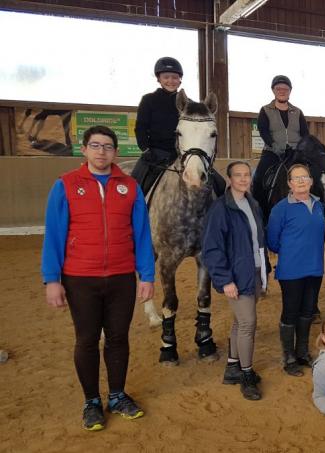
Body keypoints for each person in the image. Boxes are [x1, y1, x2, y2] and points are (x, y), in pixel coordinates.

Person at [41, 125, 155, 431]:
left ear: (115, 152)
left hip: (121, 277)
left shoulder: (129, 187)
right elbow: (54, 234)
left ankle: (117, 395)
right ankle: (91, 401)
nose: (101, 151)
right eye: (95, 145)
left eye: (107, 146)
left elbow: (142, 235)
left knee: (118, 338)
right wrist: (52, 279)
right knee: (87, 339)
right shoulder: (65, 185)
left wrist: (147, 275)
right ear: (85, 149)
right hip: (80, 278)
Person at [202, 161, 267, 401]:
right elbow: (212, 248)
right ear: (229, 179)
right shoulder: (220, 208)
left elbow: (258, 241)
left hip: (254, 271)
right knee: (248, 323)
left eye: (246, 175)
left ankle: (232, 366)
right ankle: (246, 374)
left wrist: (264, 270)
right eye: (237, 175)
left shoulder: (253, 204)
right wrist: (225, 280)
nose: (243, 179)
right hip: (236, 277)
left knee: (240, 322)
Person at [131, 56, 225, 199]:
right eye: (166, 77)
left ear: (180, 79)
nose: (170, 81)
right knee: (135, 184)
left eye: (175, 77)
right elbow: (141, 128)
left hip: (184, 154)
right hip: (157, 153)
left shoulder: (191, 105)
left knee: (220, 183)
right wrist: (146, 149)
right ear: (159, 79)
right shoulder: (149, 100)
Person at [253, 75, 325, 221]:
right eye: (278, 88)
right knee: (258, 178)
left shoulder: (297, 112)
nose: (282, 91)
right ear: (273, 90)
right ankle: (260, 213)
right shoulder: (265, 110)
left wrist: (304, 149)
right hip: (272, 152)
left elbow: (305, 134)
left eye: (285, 89)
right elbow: (263, 131)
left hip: (296, 153)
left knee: (318, 176)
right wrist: (274, 145)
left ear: (290, 91)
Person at [267, 163, 325, 377]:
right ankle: (288, 356)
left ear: (311, 181)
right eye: (296, 178)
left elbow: (321, 236)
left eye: (305, 178)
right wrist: (292, 253)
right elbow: (272, 241)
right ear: (290, 183)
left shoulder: (319, 206)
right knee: (291, 312)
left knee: (307, 312)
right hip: (291, 271)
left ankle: (302, 352)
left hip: (315, 269)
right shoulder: (280, 209)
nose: (301, 181)